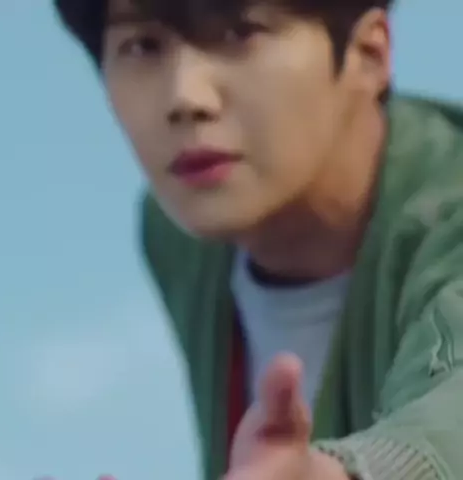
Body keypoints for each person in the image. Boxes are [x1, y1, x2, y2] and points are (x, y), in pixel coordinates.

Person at [54, 0, 463, 479]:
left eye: (240, 33)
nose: (186, 97)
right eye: (143, 46)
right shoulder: (180, 234)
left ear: (368, 53)